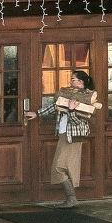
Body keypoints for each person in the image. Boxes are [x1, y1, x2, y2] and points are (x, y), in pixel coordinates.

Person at [38, 70, 97, 206]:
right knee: (61, 166)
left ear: (81, 82)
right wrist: (37, 113)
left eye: (73, 79)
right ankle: (71, 198)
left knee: (59, 167)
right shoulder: (70, 94)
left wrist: (71, 110)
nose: (71, 81)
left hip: (74, 137)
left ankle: (71, 198)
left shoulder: (85, 98)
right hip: (64, 134)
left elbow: (79, 121)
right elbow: (55, 107)